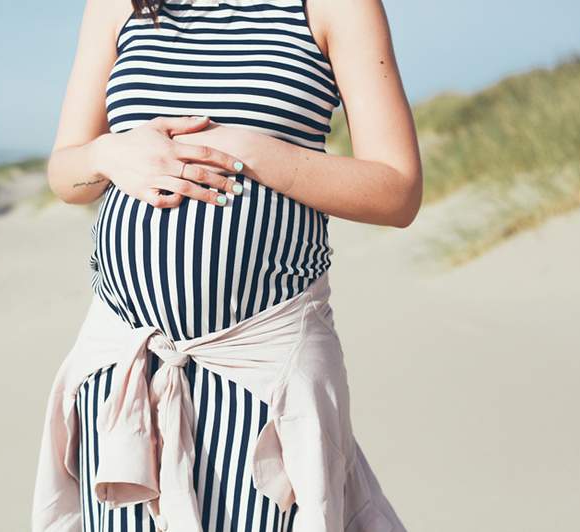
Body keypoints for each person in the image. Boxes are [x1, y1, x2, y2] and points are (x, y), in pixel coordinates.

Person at [37, 0, 422, 530]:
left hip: (262, 380)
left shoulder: (337, 7)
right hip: (126, 373)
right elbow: (64, 172)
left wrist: (247, 149)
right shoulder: (116, 6)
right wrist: (107, 154)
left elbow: (397, 191)